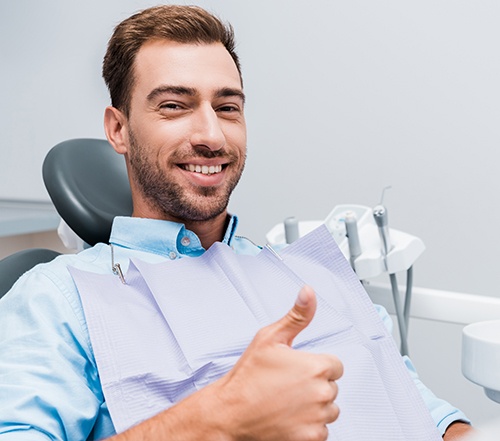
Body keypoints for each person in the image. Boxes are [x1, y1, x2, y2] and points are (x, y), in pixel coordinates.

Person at [0, 5, 473, 441]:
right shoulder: (60, 297)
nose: (211, 135)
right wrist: (214, 418)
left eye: (227, 107)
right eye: (174, 105)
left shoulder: (315, 276)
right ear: (119, 130)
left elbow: (427, 413)